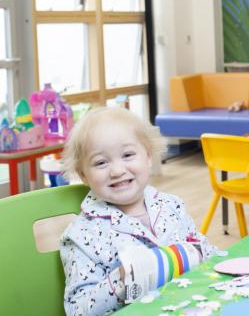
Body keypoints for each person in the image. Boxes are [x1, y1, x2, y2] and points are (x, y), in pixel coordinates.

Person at [60, 107, 219, 315]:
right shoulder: (82, 235)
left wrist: (205, 253)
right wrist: (121, 281)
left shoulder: (172, 206)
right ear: (83, 175)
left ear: (148, 157)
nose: (117, 171)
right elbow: (77, 310)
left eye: (127, 155)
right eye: (101, 162)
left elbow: (204, 251)